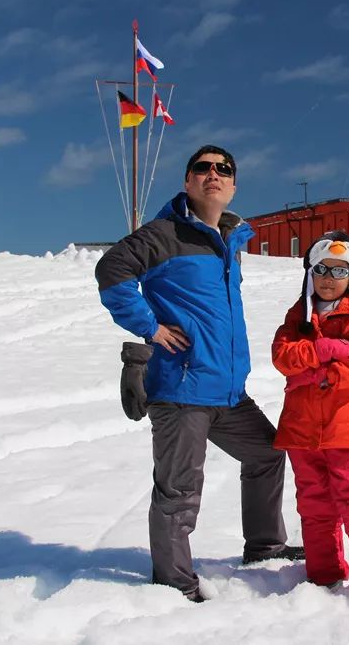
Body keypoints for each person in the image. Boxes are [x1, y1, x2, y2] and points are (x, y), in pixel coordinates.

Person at [95, 144, 302, 603]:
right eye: (202, 168)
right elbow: (111, 270)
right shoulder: (166, 233)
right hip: (182, 389)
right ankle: (173, 582)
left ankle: (265, 546)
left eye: (223, 169)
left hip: (227, 393)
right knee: (179, 489)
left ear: (233, 185)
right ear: (188, 181)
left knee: (267, 455)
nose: (213, 174)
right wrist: (149, 327)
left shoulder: (229, 241)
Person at [270, 232, 349, 612]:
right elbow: (282, 356)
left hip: (347, 429)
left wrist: (324, 376)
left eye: (339, 271)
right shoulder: (297, 317)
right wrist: (321, 351)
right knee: (314, 504)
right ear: (311, 274)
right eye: (322, 269)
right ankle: (323, 572)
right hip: (302, 430)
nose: (329, 277)